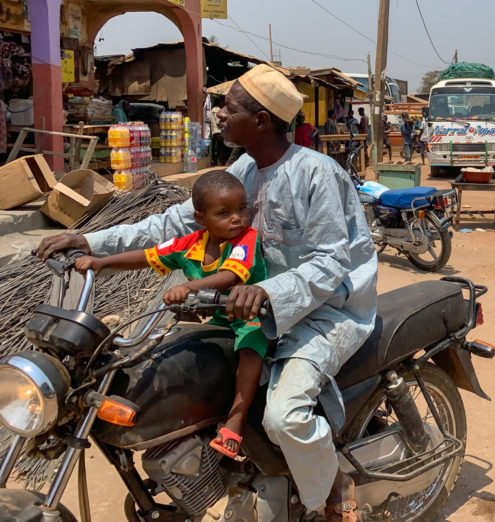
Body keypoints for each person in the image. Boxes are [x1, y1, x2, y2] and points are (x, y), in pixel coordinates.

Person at [37, 64, 377, 521]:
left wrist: (267, 291)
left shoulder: (316, 173)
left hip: (325, 313)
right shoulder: (244, 169)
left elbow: (331, 262)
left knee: (284, 417)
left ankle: (332, 483)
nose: (217, 112)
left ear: (260, 121)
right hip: (249, 307)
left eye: (228, 106)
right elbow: (176, 223)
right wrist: (91, 242)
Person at [72, 171, 267, 458]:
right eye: (224, 213)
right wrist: (101, 262)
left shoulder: (246, 240)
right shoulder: (190, 244)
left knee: (250, 349)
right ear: (201, 219)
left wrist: (189, 286)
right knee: (183, 349)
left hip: (253, 316)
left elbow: (229, 277)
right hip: (219, 319)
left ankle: (236, 420)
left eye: (241, 209)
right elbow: (147, 256)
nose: (236, 218)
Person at [211, 97, 234, 166]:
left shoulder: (225, 110)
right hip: (218, 133)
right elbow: (218, 124)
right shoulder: (216, 110)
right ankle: (230, 161)